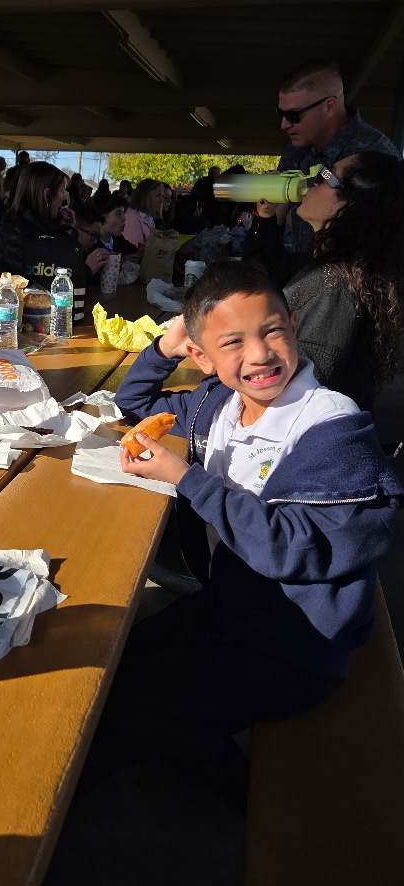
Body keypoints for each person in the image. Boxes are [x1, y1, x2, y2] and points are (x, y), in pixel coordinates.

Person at [86, 261, 402, 802]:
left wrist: (186, 478)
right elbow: (134, 402)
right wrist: (166, 347)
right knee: (109, 661)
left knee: (110, 714)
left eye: (272, 331)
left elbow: (294, 548)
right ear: (203, 357)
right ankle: (199, 744)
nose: (258, 354)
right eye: (232, 342)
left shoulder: (331, 428)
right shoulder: (221, 405)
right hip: (234, 607)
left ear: (294, 325)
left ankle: (235, 788)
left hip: (295, 647)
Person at [244, 152, 404, 410]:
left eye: (324, 175)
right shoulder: (338, 267)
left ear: (349, 203)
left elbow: (298, 386)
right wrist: (266, 214)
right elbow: (265, 274)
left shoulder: (334, 284)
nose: (311, 181)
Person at [268, 60, 401, 252]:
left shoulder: (376, 154)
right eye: (280, 113)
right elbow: (278, 212)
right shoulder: (296, 150)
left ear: (329, 106)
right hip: (303, 265)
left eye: (293, 115)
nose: (284, 125)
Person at [0, 161, 88, 320]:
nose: (64, 198)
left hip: (11, 321)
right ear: (47, 195)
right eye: (61, 191)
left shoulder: (8, 230)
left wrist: (65, 231)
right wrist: (65, 237)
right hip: (45, 323)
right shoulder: (48, 236)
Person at [90, 194, 139, 259]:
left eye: (123, 213)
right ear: (102, 216)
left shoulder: (118, 239)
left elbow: (135, 251)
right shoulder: (90, 244)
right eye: (119, 213)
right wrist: (121, 261)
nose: (124, 218)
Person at [123, 178, 164, 246]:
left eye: (162, 196)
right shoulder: (131, 218)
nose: (161, 200)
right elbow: (133, 249)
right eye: (158, 195)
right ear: (145, 196)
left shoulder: (149, 218)